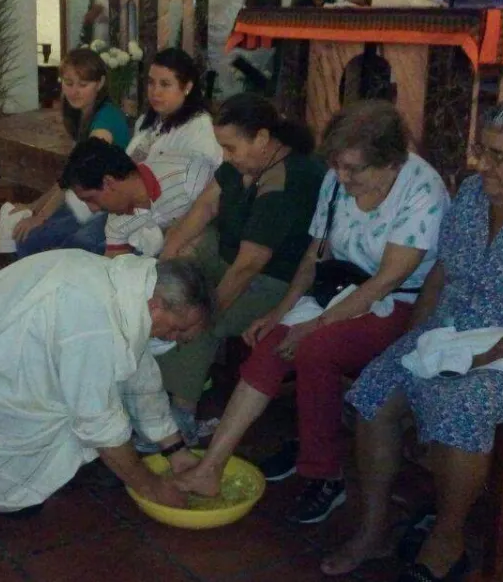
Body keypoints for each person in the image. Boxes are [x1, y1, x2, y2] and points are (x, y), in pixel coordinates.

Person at [321, 96, 503, 580]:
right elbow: (442, 273)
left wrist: (489, 356)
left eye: (499, 156)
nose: (483, 165)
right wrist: (415, 338)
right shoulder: (474, 194)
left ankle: (447, 540)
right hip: (462, 328)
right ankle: (373, 528)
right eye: (482, 150)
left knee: (462, 401)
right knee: (377, 387)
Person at [175, 101, 450, 526]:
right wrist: (280, 312)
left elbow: (385, 282)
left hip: (402, 302)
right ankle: (212, 466)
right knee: (269, 345)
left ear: (392, 163)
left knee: (316, 348)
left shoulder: (422, 190)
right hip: (339, 288)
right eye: (337, 165)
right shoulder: (337, 179)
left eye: (354, 170)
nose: (342, 177)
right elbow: (313, 255)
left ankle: (324, 473)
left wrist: (311, 326)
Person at [0, 252, 216, 513]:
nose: (175, 340)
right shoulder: (96, 320)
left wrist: (175, 450)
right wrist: (151, 487)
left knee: (97, 449)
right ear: (157, 306)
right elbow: (98, 421)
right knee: (10, 499)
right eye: (178, 330)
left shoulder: (130, 288)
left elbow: (138, 371)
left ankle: (60, 463)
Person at [154, 93, 326, 441]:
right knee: (171, 280)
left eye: (230, 147)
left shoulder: (287, 180)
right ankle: (150, 392)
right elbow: (204, 207)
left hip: (274, 280)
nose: (225, 156)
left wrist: (204, 314)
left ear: (262, 138)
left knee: (195, 319)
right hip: (228, 257)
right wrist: (162, 265)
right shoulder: (242, 164)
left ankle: (180, 417)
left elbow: (249, 266)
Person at [11, 47, 133, 257]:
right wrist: (34, 206)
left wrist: (40, 216)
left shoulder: (106, 120)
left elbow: (75, 175)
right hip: (86, 199)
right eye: (69, 83)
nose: (74, 91)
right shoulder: (84, 114)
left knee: (32, 239)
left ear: (100, 83)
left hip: (106, 205)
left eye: (83, 85)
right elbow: (67, 176)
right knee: (25, 236)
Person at [58, 138, 215, 258]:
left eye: (91, 199)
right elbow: (114, 267)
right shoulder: (115, 223)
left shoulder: (189, 176)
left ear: (108, 183)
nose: (93, 209)